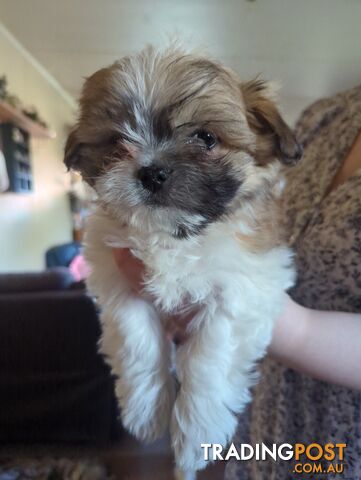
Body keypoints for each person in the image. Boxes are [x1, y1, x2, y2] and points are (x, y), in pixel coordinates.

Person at [113, 84, 361, 479]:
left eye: (204, 139)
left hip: (344, 440)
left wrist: (276, 324)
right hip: (266, 414)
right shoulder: (327, 115)